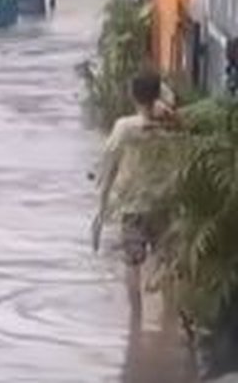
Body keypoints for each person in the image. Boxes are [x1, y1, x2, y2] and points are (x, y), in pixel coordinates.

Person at [92, 70, 176, 321]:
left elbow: (108, 167)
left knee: (133, 264)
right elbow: (170, 99)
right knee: (166, 259)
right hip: (163, 201)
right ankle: (168, 317)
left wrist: (101, 210)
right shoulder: (170, 123)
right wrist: (161, 98)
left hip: (133, 205)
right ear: (157, 93)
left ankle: (136, 321)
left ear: (132, 96)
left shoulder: (125, 127)